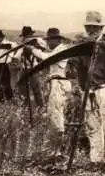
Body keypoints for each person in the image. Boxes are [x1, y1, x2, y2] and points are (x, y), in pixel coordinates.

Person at [67, 11, 105, 167]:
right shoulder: (82, 46)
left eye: (95, 27)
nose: (91, 30)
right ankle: (96, 160)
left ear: (101, 28)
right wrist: (72, 63)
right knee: (92, 125)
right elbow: (74, 64)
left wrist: (99, 44)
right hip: (88, 90)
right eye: (88, 27)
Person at [25, 27, 71, 157]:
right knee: (55, 114)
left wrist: (32, 50)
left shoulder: (61, 50)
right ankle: (56, 148)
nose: (49, 43)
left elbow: (47, 58)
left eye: (51, 40)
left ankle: (57, 150)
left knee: (56, 115)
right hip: (57, 83)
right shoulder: (57, 49)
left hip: (59, 83)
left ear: (57, 40)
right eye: (48, 40)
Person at [14, 26, 45, 108]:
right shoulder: (23, 45)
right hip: (24, 69)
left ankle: (40, 107)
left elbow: (41, 51)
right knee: (22, 87)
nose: (26, 38)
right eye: (25, 36)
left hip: (33, 68)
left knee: (36, 89)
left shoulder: (37, 43)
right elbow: (16, 57)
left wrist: (33, 46)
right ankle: (26, 106)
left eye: (27, 36)